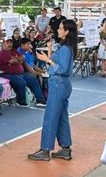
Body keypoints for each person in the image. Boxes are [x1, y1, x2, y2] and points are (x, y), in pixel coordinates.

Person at [28, 19, 77, 161]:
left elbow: (61, 69)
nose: (58, 30)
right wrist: (49, 52)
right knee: (61, 117)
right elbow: (59, 64)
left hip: (58, 85)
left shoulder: (66, 49)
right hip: (61, 85)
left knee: (50, 117)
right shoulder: (65, 47)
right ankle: (65, 148)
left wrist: (47, 60)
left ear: (67, 31)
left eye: (61, 28)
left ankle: (45, 150)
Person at [0, 39, 46, 106]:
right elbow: (12, 61)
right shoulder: (2, 53)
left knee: (32, 78)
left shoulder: (14, 51)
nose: (9, 44)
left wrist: (16, 60)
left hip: (20, 73)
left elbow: (23, 57)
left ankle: (40, 100)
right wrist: (17, 60)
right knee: (21, 82)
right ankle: (21, 101)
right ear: (3, 44)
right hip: (7, 74)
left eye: (11, 42)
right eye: (7, 43)